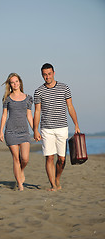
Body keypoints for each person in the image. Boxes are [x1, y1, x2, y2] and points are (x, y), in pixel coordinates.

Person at [34, 63, 80, 191]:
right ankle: (53, 185)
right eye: (44, 74)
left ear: (53, 73)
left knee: (62, 159)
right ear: (42, 75)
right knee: (49, 157)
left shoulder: (64, 88)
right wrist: (35, 130)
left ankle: (57, 178)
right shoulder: (39, 91)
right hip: (46, 128)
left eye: (49, 74)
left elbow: (70, 107)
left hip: (62, 127)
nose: (47, 77)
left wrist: (76, 124)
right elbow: (37, 111)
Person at [0, 73, 33, 191]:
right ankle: (20, 184)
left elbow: (29, 116)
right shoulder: (7, 99)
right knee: (16, 159)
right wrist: (1, 131)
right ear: (10, 85)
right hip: (11, 132)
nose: (15, 84)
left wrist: (35, 130)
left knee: (25, 158)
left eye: (16, 81)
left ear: (20, 82)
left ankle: (21, 171)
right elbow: (4, 116)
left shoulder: (28, 98)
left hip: (24, 132)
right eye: (12, 82)